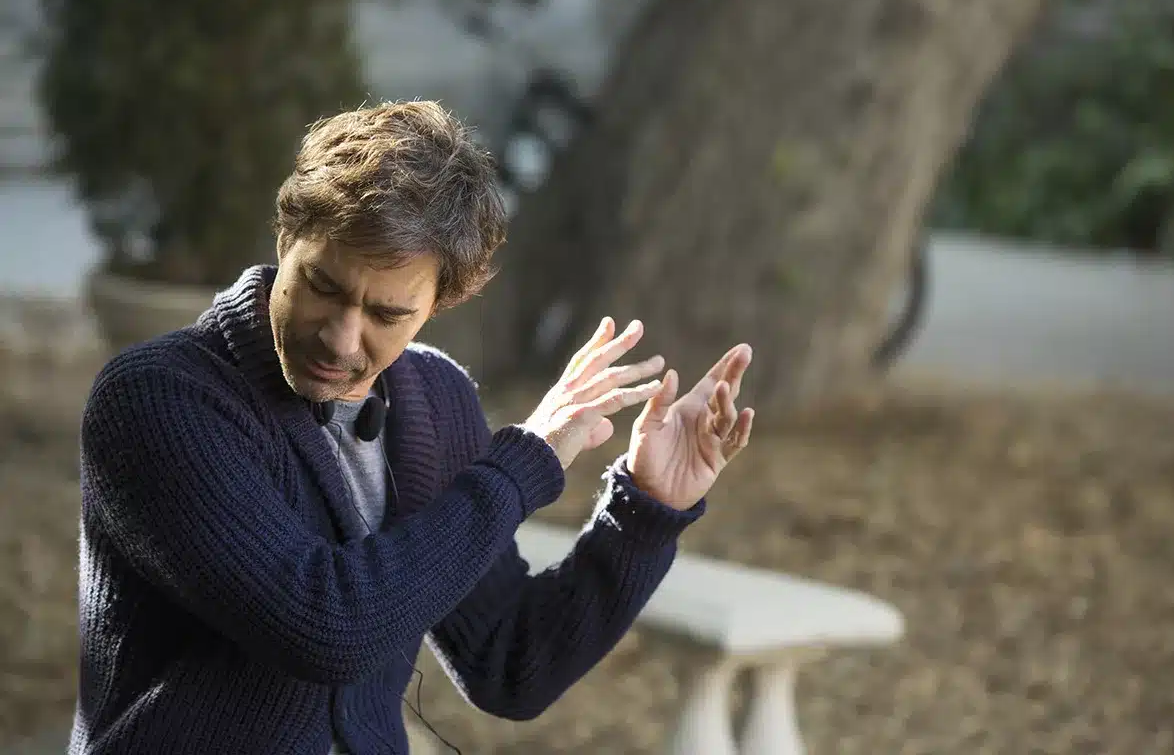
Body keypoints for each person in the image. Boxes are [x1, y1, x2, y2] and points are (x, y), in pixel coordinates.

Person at [70, 100, 754, 754]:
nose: (340, 339)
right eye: (323, 287)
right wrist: (522, 463)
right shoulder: (158, 401)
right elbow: (324, 627)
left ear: (439, 303)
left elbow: (510, 665)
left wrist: (645, 507)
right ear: (286, 238)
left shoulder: (435, 400)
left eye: (386, 314)